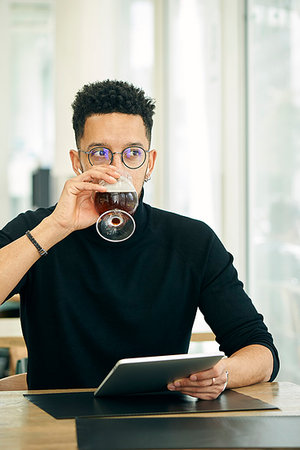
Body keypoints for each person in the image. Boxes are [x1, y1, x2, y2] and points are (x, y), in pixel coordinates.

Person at [0, 80, 279, 399]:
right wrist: (55, 228)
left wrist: (222, 374)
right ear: (78, 162)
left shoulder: (192, 240)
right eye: (100, 153)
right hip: (55, 427)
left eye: (132, 153)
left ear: (150, 163)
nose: (117, 169)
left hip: (158, 422)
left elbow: (261, 351)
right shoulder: (38, 229)